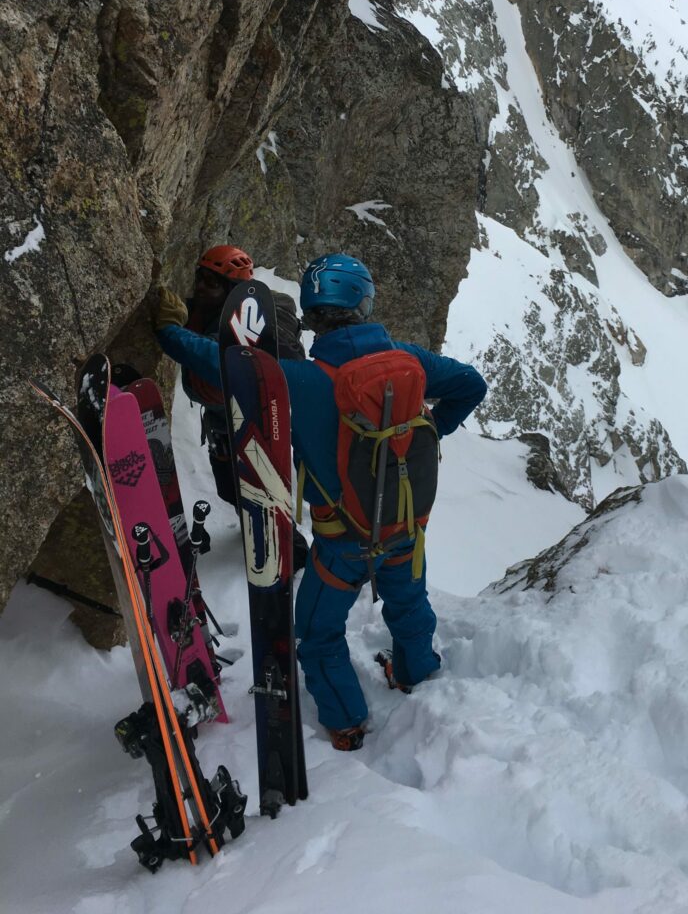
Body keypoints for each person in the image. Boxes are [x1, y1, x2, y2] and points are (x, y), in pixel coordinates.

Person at [152, 253, 487, 750]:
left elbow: (220, 363)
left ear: (311, 313)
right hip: (403, 528)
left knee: (317, 631)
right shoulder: (410, 360)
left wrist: (169, 331)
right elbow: (470, 385)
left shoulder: (300, 381)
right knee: (408, 605)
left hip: (341, 542)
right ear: (364, 302)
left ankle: (347, 720)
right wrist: (430, 430)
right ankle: (417, 674)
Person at [153, 244, 310, 569]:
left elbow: (220, 361)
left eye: (210, 281)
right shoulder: (211, 309)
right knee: (230, 490)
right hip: (223, 423)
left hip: (255, 426)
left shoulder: (249, 319)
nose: (199, 285)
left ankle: (292, 557)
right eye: (199, 277)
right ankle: (257, 530)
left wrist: (169, 332)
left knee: (262, 498)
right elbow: (198, 316)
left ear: (230, 289)